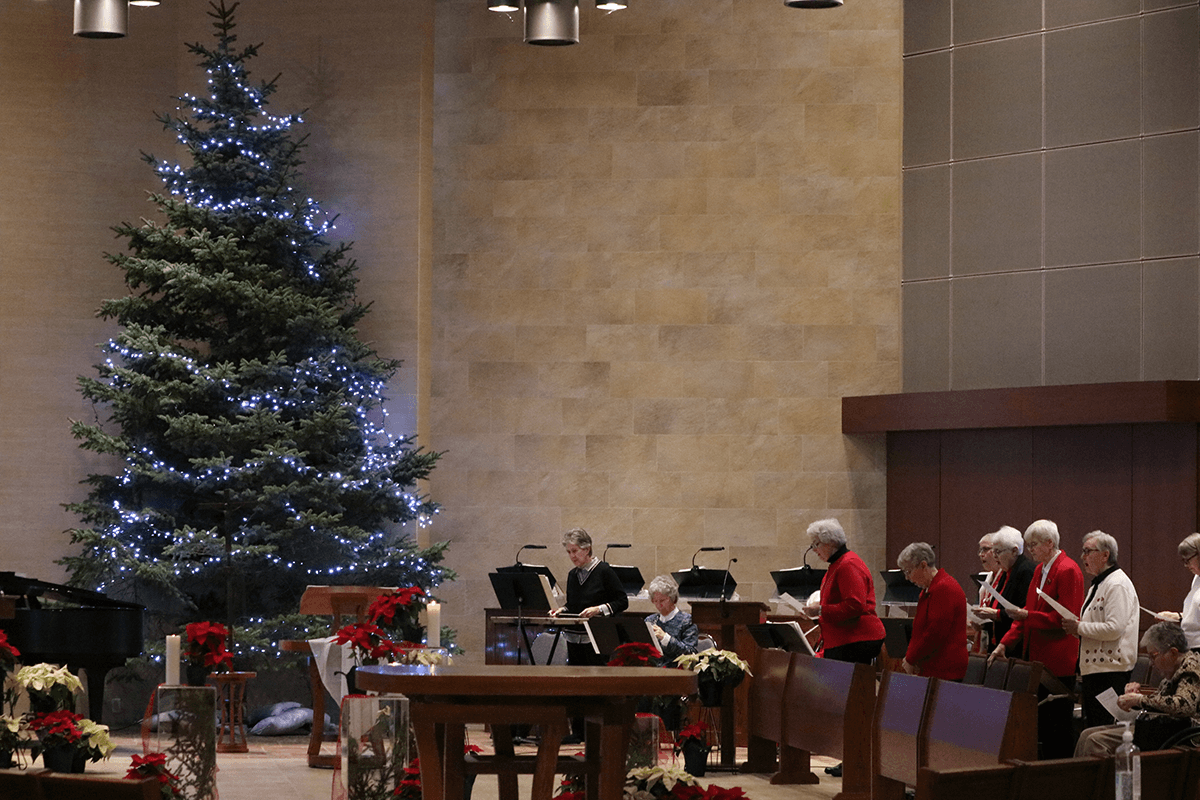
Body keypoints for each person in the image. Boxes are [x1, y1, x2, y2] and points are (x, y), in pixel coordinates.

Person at [990, 519, 1084, 759]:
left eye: (1034, 545)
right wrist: (1004, 643)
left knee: (1057, 727)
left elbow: (1067, 618)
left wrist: (1028, 615)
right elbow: (1026, 614)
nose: (1029, 550)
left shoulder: (1068, 569)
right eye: (1028, 545)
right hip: (1037, 658)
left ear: (1050, 543)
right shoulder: (1040, 570)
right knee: (1041, 724)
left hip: (1057, 659)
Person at [1075, 622, 1200, 756]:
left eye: (1154, 656)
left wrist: (1140, 700)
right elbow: (1160, 703)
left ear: (1173, 653)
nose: (1151, 663)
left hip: (1181, 733)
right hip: (1164, 727)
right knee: (1086, 734)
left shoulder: (1190, 668)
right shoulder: (1173, 670)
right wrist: (1135, 699)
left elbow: (1185, 705)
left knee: (1095, 740)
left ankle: (1107, 777)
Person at [1062, 530, 1139, 728]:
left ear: (1105, 555)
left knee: (1104, 728)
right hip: (1097, 669)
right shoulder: (1102, 582)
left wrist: (1079, 627)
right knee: (1094, 727)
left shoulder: (1117, 584)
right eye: (1083, 551)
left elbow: (1115, 628)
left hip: (1110, 671)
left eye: (1088, 551)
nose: (1083, 557)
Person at [804, 518, 886, 664]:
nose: (814, 550)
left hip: (855, 639)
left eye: (816, 544)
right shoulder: (838, 564)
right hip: (844, 639)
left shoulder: (848, 565)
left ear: (830, 543)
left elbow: (855, 605)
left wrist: (821, 610)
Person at [553, 527, 629, 666]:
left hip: (598, 637)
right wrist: (562, 610)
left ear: (587, 549)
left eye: (575, 551)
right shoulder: (572, 575)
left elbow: (622, 601)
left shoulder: (604, 571)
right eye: (569, 552)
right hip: (573, 637)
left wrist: (598, 609)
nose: (572, 556)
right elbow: (572, 604)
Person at [897, 542, 968, 679]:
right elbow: (919, 629)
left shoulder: (944, 588)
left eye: (908, 571)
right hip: (931, 665)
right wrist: (911, 656)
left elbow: (935, 632)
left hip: (945, 667)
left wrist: (912, 658)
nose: (907, 577)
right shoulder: (928, 590)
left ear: (923, 565)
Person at [973, 525, 1034, 652]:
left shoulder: (1025, 571)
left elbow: (1023, 610)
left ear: (1014, 551)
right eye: (993, 551)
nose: (995, 556)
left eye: (998, 552)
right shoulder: (1007, 570)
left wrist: (996, 614)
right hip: (999, 639)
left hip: (1016, 644)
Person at [1157, 532, 1200, 650]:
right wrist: (1177, 616)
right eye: (1184, 561)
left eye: (1188, 560)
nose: (1186, 565)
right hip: (1190, 645)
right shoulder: (1197, 578)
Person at [644, 574, 699, 664]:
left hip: (676, 670)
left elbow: (690, 652)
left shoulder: (687, 621)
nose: (658, 605)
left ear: (672, 599)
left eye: (662, 600)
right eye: (655, 601)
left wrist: (666, 638)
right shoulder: (650, 620)